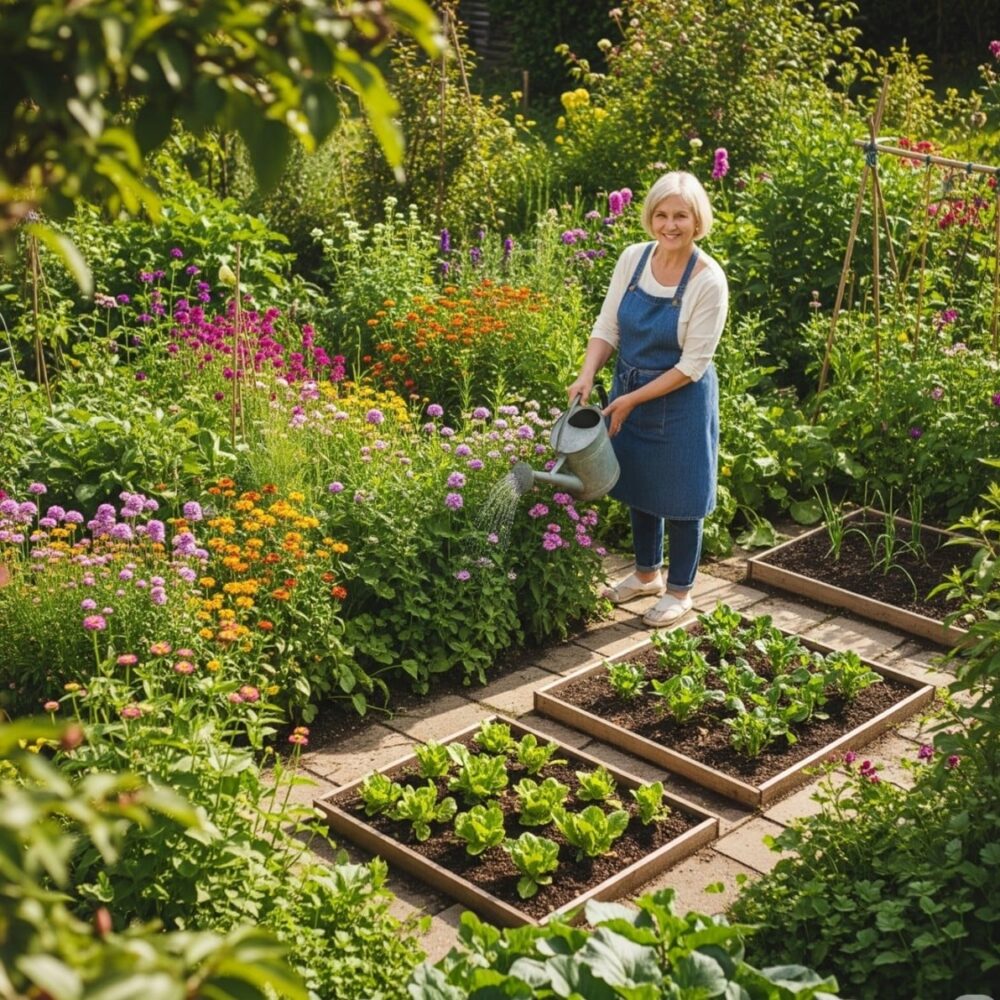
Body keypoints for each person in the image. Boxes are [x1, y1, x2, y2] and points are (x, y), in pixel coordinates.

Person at [567, 170, 728, 626]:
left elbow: (692, 365)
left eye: (681, 215)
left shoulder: (708, 280)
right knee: (639, 482)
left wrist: (633, 399)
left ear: (698, 221)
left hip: (680, 400)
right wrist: (587, 374)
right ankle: (645, 575)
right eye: (661, 214)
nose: (670, 225)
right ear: (649, 217)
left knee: (682, 493)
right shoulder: (633, 259)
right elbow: (608, 326)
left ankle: (680, 591)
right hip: (629, 388)